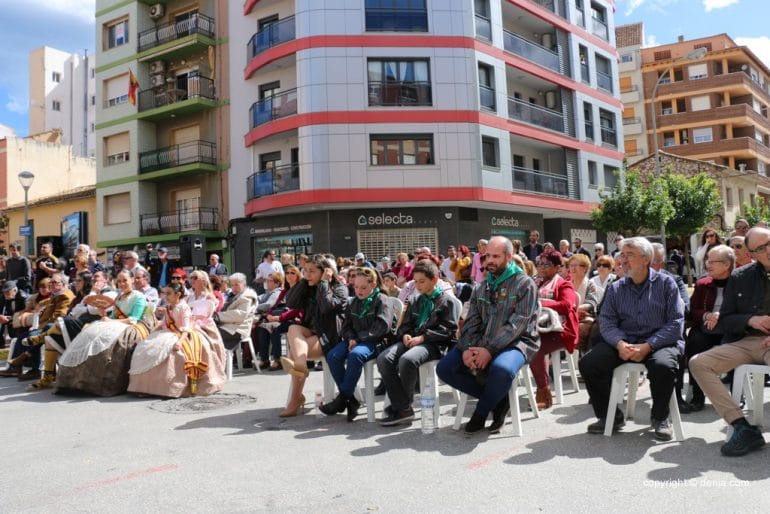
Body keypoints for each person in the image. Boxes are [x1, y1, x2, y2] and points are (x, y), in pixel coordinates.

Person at [578, 237, 684, 441]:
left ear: (646, 259)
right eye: (622, 255)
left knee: (663, 365)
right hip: (625, 342)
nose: (623, 260)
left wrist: (648, 345)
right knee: (589, 363)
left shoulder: (666, 284)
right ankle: (610, 415)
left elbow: (676, 323)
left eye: (630, 256)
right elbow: (606, 321)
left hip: (659, 342)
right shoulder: (617, 287)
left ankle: (661, 417)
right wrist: (619, 343)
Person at [436, 236, 540, 434]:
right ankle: (498, 400)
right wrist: (467, 348)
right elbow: (471, 321)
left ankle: (481, 412)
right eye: (487, 256)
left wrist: (489, 350)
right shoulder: (481, 286)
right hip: (481, 341)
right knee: (445, 368)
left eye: (496, 256)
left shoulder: (524, 284)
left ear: (509, 257)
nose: (489, 261)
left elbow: (518, 324)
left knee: (502, 370)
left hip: (518, 341)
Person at [689, 227, 770, 457]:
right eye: (762, 248)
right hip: (745, 341)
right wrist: (751, 320)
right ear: (752, 253)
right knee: (698, 363)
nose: (769, 250)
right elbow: (725, 320)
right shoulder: (740, 277)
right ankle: (742, 427)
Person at [377, 259, 458, 425]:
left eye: (422, 281)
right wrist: (405, 334)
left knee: (407, 360)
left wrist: (423, 337)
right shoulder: (414, 301)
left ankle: (402, 408)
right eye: (416, 282)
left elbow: (449, 330)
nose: (418, 286)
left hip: (434, 344)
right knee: (384, 358)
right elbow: (404, 325)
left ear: (434, 280)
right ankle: (403, 406)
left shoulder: (446, 301)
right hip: (412, 340)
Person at [53, 270, 157, 396]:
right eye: (119, 281)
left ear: (132, 280)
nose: (122, 283)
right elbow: (113, 316)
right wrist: (104, 315)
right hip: (116, 324)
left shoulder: (138, 296)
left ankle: (100, 382)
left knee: (115, 342)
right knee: (90, 335)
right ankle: (78, 380)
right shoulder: (119, 298)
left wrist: (111, 321)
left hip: (132, 327)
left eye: (125, 280)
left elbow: (134, 319)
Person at [129, 280, 226, 398]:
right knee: (144, 347)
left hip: (183, 334)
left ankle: (167, 388)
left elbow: (186, 329)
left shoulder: (183, 308)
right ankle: (144, 386)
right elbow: (163, 323)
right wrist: (150, 335)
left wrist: (179, 342)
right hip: (168, 332)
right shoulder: (169, 306)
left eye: (169, 293)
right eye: (165, 293)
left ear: (178, 295)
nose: (166, 296)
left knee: (170, 352)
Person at [321, 266, 393, 421]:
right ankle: (350, 400)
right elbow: (346, 326)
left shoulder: (381, 299)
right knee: (332, 355)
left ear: (373, 285)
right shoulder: (353, 302)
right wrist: (352, 337)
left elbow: (382, 327)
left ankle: (342, 399)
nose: (359, 290)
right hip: (354, 339)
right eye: (356, 287)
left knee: (355, 355)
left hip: (375, 342)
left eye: (363, 287)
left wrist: (358, 339)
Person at [279, 254, 348, 417]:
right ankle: (301, 365)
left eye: (311, 271)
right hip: (309, 331)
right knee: (293, 329)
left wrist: (324, 282)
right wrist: (304, 281)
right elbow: (291, 302)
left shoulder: (339, 289)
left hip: (329, 336)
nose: (307, 274)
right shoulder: (308, 287)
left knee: (295, 354)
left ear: (325, 272)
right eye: (305, 270)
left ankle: (295, 399)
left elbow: (326, 307)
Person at [680, 245, 734, 413]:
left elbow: (745, 310)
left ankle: (737, 394)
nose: (708, 265)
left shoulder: (739, 283)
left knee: (736, 346)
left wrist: (721, 315)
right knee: (695, 342)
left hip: (731, 328)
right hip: (706, 329)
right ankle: (697, 395)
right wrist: (706, 315)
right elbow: (692, 310)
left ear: (727, 265)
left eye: (713, 261)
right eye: (707, 261)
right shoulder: (703, 283)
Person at [532, 250, 578, 409]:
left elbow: (567, 305)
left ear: (558, 267)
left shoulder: (564, 283)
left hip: (561, 331)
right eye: (540, 264)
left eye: (547, 265)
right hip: (539, 329)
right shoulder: (536, 282)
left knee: (533, 348)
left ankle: (543, 391)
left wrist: (540, 303)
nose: (542, 268)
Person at [255, 264, 302, 371]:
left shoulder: (300, 289)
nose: (289, 275)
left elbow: (296, 310)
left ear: (298, 275)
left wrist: (279, 318)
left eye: (292, 273)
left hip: (296, 319)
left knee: (275, 329)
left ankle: (278, 360)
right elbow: (275, 305)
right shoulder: (285, 291)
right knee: (263, 327)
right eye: (287, 273)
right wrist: (269, 315)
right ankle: (264, 359)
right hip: (283, 318)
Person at [212, 272, 259, 355]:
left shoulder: (247, 297)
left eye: (236, 285)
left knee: (209, 334)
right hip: (228, 326)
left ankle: (216, 362)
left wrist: (217, 316)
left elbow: (240, 314)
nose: (234, 288)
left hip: (237, 329)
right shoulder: (235, 295)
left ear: (244, 284)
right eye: (232, 285)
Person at [0, 280, 28, 347]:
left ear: (15, 290)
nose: (5, 294)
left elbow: (26, 312)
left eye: (7, 292)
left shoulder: (23, 297)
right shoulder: (3, 297)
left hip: (20, 319)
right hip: (9, 318)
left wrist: (11, 318)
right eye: (4, 292)